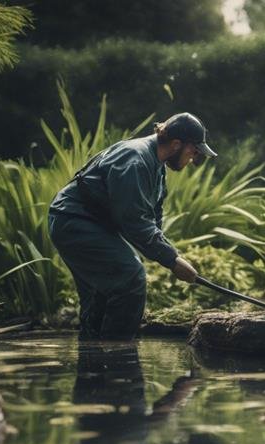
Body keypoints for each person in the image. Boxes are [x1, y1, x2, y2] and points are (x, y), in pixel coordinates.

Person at [48, 113, 216, 339]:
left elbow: (153, 219)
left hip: (90, 224)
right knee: (130, 277)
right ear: (176, 144)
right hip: (74, 221)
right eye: (194, 151)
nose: (194, 159)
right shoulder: (135, 160)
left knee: (100, 297)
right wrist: (173, 261)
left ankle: (92, 364)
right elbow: (134, 222)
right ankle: (120, 357)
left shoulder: (157, 167)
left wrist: (168, 255)